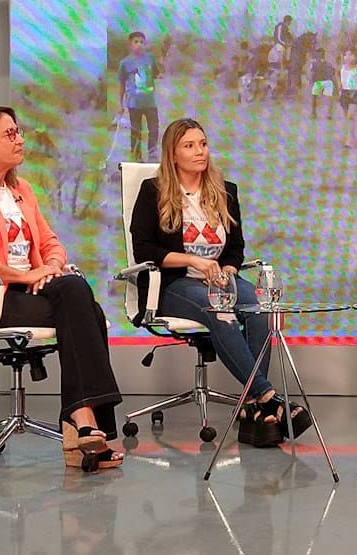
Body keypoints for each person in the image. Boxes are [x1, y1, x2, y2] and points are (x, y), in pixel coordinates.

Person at [0, 106, 124, 469]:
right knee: (87, 305)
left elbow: (51, 242)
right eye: (10, 134)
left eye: (19, 132)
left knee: (73, 288)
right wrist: (23, 275)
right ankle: (82, 422)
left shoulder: (21, 189)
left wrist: (50, 267)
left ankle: (82, 422)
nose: (20, 139)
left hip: (27, 290)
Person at [129, 118, 311, 448]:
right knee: (220, 310)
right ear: (172, 154)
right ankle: (266, 398)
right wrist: (193, 260)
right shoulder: (153, 191)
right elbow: (144, 249)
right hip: (174, 284)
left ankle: (254, 409)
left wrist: (227, 268)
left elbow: (236, 247)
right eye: (189, 145)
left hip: (219, 279)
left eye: (203, 143)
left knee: (259, 309)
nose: (200, 151)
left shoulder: (225, 191)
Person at [117, 31, 160, 160]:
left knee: (154, 128)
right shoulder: (125, 63)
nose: (139, 45)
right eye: (136, 42)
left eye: (142, 42)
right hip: (134, 103)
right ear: (130, 44)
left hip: (150, 102)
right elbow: (121, 84)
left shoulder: (150, 59)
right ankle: (136, 155)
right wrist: (120, 105)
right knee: (136, 130)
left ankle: (152, 151)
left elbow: (156, 73)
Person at [338, 49, 357, 147]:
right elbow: (339, 78)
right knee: (347, 118)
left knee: (350, 116)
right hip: (344, 93)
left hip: (355, 93)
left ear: (356, 57)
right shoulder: (341, 67)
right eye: (346, 55)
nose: (348, 57)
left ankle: (350, 140)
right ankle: (350, 136)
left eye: (351, 55)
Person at [308, 47, 336, 120]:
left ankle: (326, 113)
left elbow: (333, 72)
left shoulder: (326, 63)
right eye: (319, 53)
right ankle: (316, 113)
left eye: (321, 53)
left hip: (324, 81)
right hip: (320, 82)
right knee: (315, 97)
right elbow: (311, 73)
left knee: (325, 98)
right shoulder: (315, 63)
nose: (320, 55)